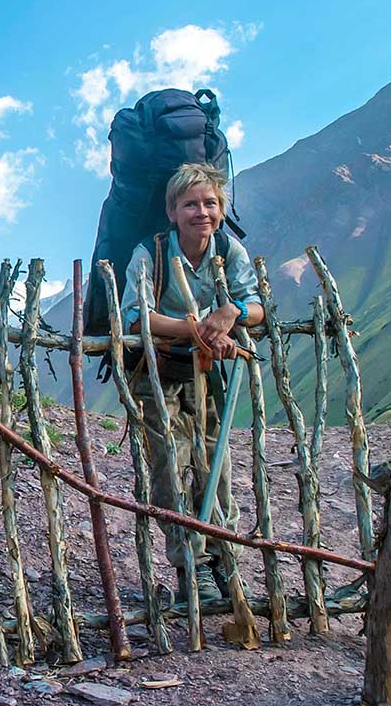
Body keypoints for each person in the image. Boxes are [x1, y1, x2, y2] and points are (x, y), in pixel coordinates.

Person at [120, 162, 264, 600]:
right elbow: (137, 314)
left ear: (221, 209)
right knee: (170, 468)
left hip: (206, 373)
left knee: (215, 464)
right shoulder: (151, 253)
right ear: (172, 211)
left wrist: (231, 313)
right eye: (190, 204)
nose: (201, 212)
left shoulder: (228, 250)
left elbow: (255, 305)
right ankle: (190, 566)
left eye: (210, 203)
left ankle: (223, 559)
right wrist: (198, 329)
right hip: (158, 374)